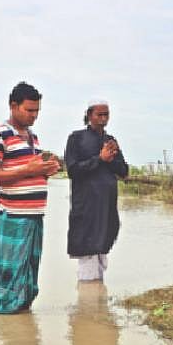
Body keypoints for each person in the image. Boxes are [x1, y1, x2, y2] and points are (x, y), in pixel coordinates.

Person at [0, 82, 60, 314]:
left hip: (35, 215)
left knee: (29, 276)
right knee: (9, 275)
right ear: (13, 106)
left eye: (37, 111)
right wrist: (28, 170)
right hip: (13, 216)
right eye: (29, 110)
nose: (34, 116)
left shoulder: (32, 137)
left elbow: (29, 170)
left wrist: (44, 171)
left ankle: (22, 322)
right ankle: (4, 323)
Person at [64, 99, 128, 281]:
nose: (103, 119)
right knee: (87, 250)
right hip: (86, 206)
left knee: (102, 248)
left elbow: (123, 171)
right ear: (89, 115)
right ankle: (88, 304)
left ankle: (97, 300)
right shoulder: (76, 139)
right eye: (99, 115)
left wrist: (113, 157)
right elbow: (73, 170)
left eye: (106, 115)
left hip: (107, 207)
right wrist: (99, 159)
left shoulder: (110, 141)